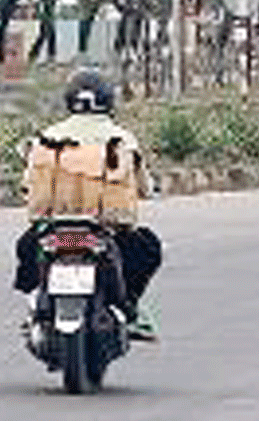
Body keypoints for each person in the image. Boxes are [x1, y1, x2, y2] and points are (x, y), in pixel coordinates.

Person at [12, 69, 163, 341]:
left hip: (53, 226)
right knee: (147, 249)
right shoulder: (123, 139)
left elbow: (28, 183)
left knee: (26, 247)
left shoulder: (47, 137)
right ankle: (130, 310)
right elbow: (144, 186)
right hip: (105, 227)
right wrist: (149, 190)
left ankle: (36, 309)